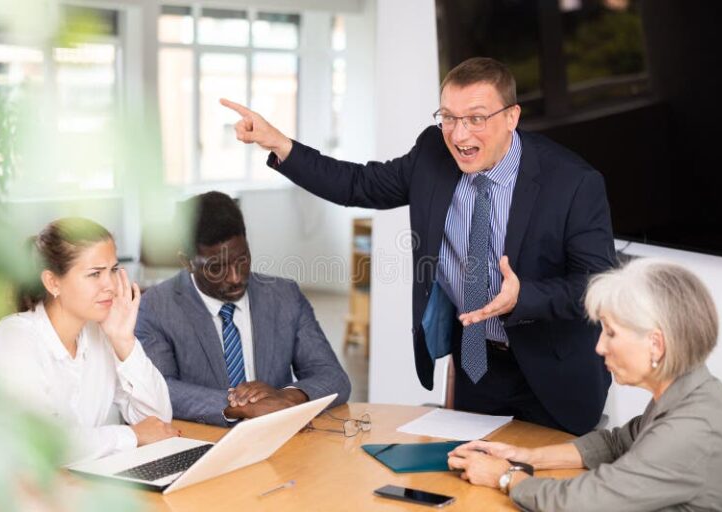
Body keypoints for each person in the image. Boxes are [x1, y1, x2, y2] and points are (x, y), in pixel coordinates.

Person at [220, 57, 615, 435]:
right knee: (471, 489)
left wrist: (524, 296)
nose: (459, 135)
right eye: (448, 117)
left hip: (553, 371)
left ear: (511, 117)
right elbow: (358, 184)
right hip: (478, 365)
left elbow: (600, 286)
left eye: (476, 118)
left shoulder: (573, 183)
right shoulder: (433, 153)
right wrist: (280, 144)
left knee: (548, 493)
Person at [447, 258, 722, 511]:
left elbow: (586, 501)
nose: (600, 346)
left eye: (610, 332)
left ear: (655, 344)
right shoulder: (687, 392)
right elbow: (617, 443)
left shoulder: (688, 430)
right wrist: (523, 456)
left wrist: (505, 476)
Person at [135, 191, 351, 426]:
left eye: (243, 260)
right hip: (205, 444)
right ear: (186, 261)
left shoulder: (283, 296)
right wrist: (242, 408)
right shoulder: (158, 306)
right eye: (217, 268)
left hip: (279, 440)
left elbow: (333, 376)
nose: (236, 278)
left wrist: (286, 397)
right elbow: (160, 388)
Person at [0, 218, 177, 465]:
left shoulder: (100, 334)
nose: (111, 286)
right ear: (53, 282)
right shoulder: (13, 340)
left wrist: (125, 341)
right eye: (95, 274)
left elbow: (158, 422)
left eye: (114, 270)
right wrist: (132, 435)